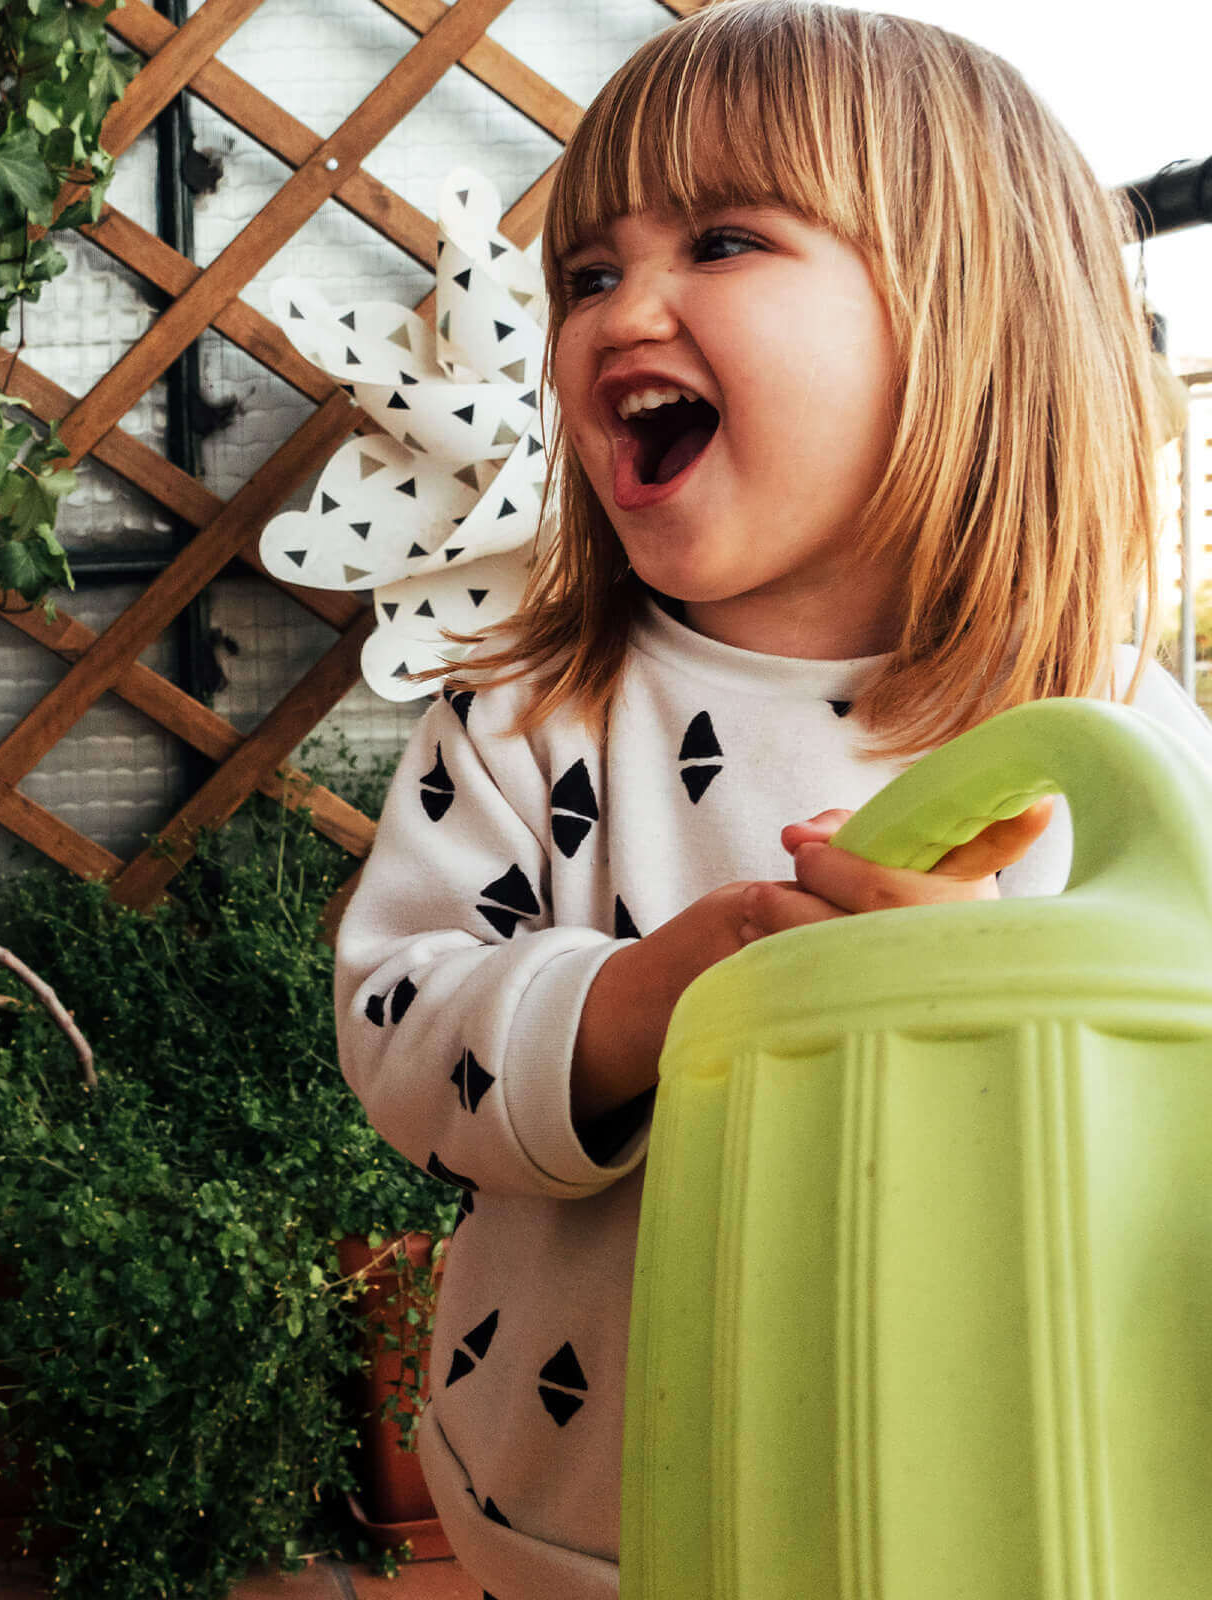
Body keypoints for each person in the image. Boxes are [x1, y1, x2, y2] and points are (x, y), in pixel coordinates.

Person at [335, 4, 1212, 1596]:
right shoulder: (534, 717)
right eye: (588, 273)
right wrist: (646, 1002)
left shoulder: (1115, 747)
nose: (617, 310)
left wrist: (996, 1005)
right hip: (590, 1525)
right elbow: (405, 1025)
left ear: (971, 318)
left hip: (989, 1503)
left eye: (722, 239)